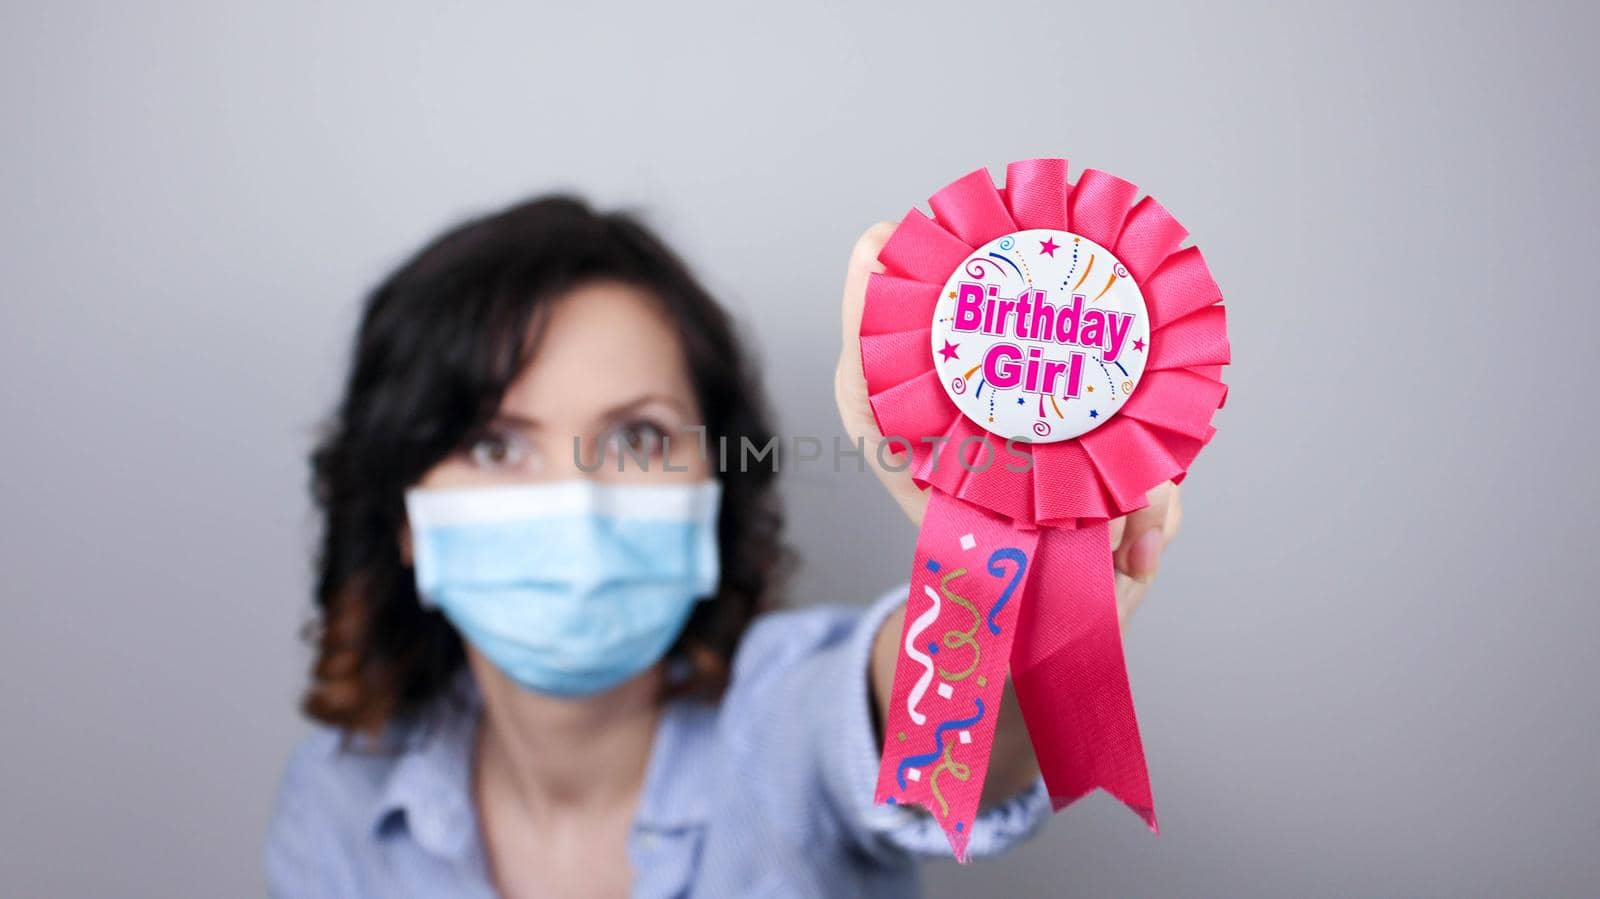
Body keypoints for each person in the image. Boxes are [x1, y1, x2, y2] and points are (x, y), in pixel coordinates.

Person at [264, 196, 1182, 898]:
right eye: (495, 444)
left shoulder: (784, 720)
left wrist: (1013, 567)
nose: (576, 502)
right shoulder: (344, 792)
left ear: (717, 486)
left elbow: (937, 730)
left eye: (638, 439)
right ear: (402, 514)